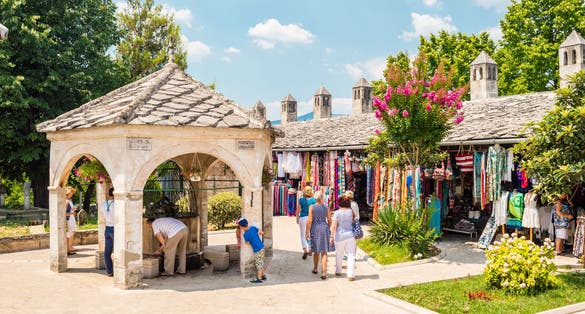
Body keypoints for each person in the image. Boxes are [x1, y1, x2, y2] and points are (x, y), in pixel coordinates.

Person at [305, 191, 334, 280]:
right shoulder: (326, 207)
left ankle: (315, 268)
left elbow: (309, 220)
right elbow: (329, 220)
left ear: (314, 198)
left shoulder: (311, 207)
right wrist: (328, 228)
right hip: (324, 228)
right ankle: (324, 272)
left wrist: (307, 231)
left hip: (315, 228)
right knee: (324, 251)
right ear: (322, 198)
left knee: (316, 250)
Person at [330, 195, 356, 281]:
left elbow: (334, 226)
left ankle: (338, 271)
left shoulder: (337, 213)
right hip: (351, 235)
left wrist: (331, 236)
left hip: (339, 236)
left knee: (339, 253)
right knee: (351, 254)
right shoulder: (351, 212)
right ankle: (351, 275)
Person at [238, 218, 266, 283]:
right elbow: (261, 232)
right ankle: (263, 275)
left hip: (257, 250)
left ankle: (259, 278)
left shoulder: (245, 234)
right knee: (261, 262)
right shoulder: (253, 228)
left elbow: (247, 243)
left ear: (241, 227)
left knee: (258, 264)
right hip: (262, 247)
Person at [296, 186, 316, 259]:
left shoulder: (301, 200)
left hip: (303, 218)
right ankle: (310, 248)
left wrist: (297, 218)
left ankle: (305, 249)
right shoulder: (314, 200)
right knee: (310, 233)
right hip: (311, 218)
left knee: (302, 234)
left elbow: (298, 210)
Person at [99, 187, 115, 276]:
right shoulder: (117, 204)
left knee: (107, 252)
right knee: (119, 251)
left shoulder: (103, 204)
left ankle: (109, 271)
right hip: (115, 228)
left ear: (109, 194)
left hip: (107, 228)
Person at [65, 186, 78, 255]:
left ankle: (69, 249)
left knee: (70, 234)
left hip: (70, 218)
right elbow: (64, 213)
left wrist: (72, 210)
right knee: (68, 235)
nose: (72, 194)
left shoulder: (69, 200)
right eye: (71, 193)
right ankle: (68, 250)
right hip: (68, 219)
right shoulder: (66, 201)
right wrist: (71, 213)